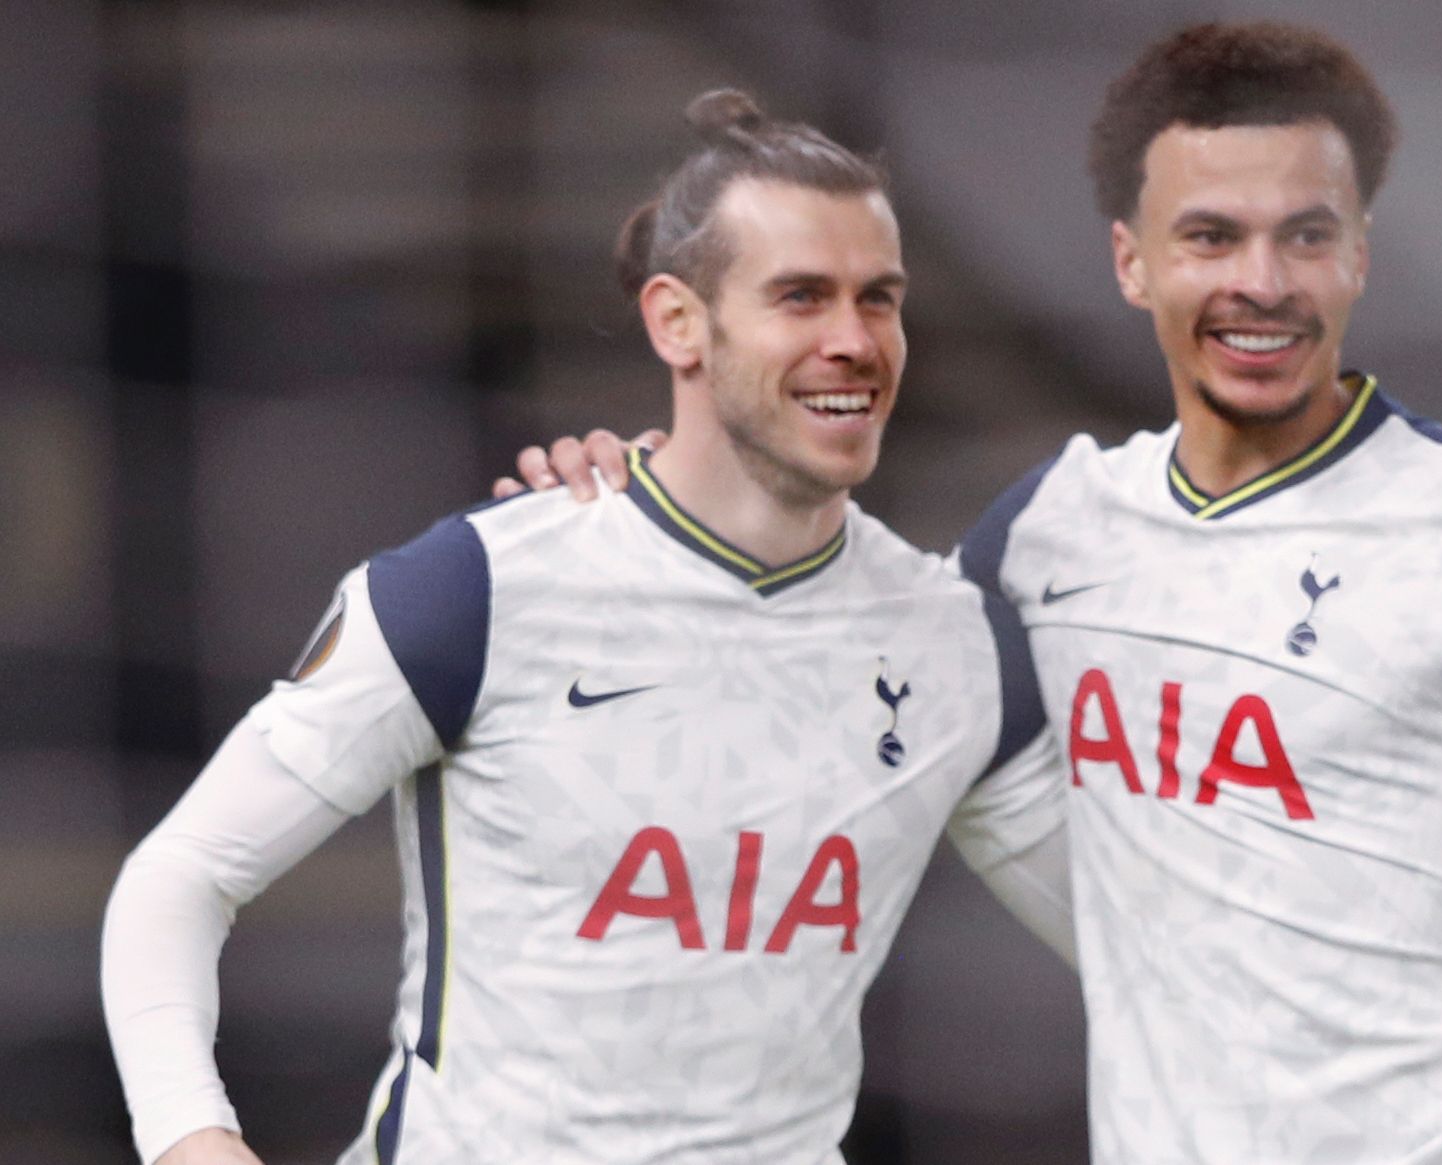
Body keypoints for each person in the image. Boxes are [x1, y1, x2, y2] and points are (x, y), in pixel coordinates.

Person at [524, 22, 1442, 1165]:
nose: (1258, 282)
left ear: (1358, 256)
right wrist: (633, 503)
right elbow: (830, 662)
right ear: (1129, 261)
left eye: (1301, 237)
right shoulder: (1049, 532)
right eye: (1208, 236)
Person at [101, 91, 1085, 1165]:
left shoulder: (955, 646)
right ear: (677, 321)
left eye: (878, 299)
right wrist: (193, 1143)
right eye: (801, 297)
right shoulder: (479, 589)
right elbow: (180, 877)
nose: (853, 341)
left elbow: (1153, 954)